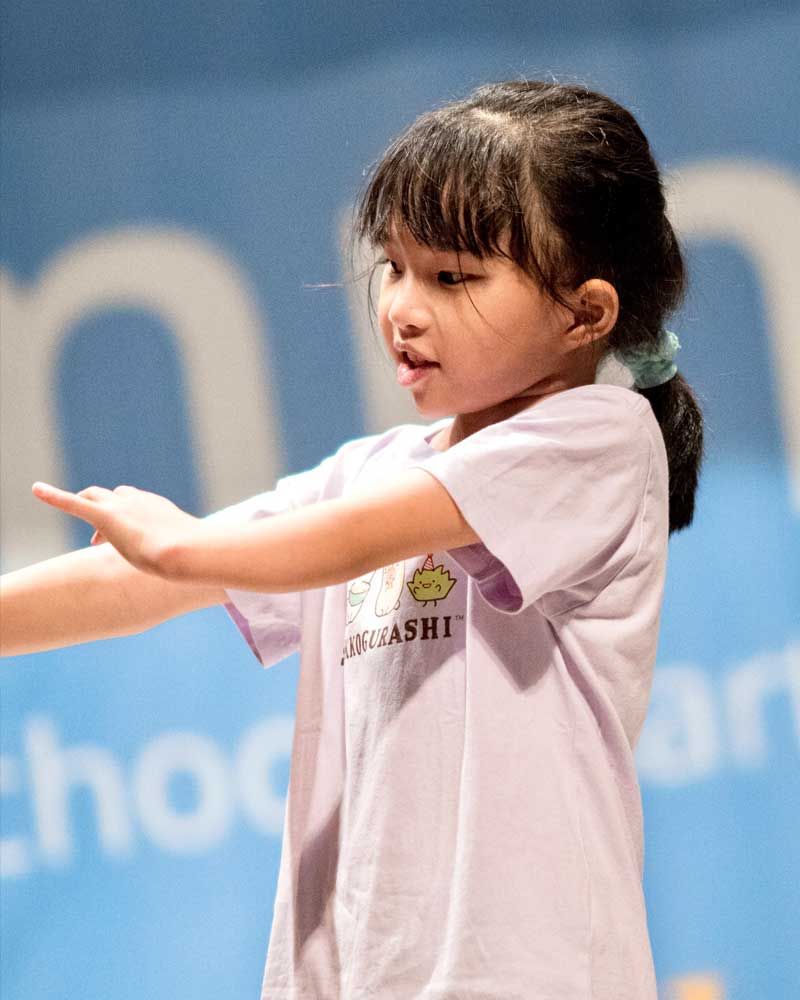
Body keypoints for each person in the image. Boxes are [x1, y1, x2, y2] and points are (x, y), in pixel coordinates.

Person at [1, 80, 704, 999]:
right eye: (395, 267)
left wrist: (183, 547)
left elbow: (326, 543)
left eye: (453, 277)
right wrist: (167, 561)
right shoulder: (363, 473)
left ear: (586, 314)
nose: (403, 308)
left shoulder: (602, 440)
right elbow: (137, 584)